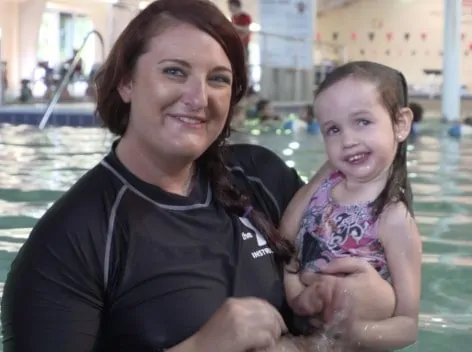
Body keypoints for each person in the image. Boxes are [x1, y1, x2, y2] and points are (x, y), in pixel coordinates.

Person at [1, 2, 396, 351]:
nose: (198, 97)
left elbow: (349, 312)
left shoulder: (262, 178)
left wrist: (370, 302)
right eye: (175, 71)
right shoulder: (73, 240)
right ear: (126, 82)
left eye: (219, 79)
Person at [281, 61, 422, 351]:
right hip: (302, 324)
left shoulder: (393, 218)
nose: (347, 140)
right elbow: (284, 241)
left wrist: (348, 331)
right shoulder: (323, 188)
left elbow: (407, 327)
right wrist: (297, 297)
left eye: (362, 121)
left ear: (400, 124)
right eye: (333, 129)